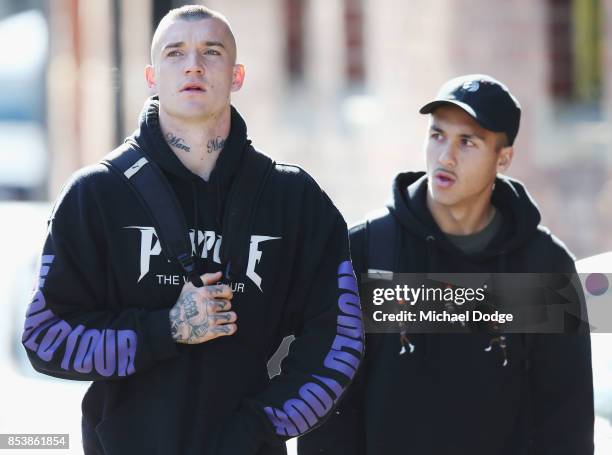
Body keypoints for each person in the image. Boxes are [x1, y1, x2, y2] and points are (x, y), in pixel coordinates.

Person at [21, 5, 363, 455]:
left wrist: (260, 425)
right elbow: (45, 337)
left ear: (237, 75)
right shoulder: (97, 194)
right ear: (151, 76)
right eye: (175, 53)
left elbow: (340, 337)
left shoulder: (292, 198)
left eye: (212, 52)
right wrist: (166, 329)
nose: (194, 65)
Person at [298, 74, 594, 454]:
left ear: (502, 158)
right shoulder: (365, 251)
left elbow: (565, 422)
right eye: (437, 135)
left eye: (467, 142)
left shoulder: (545, 266)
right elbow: (329, 414)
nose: (445, 156)